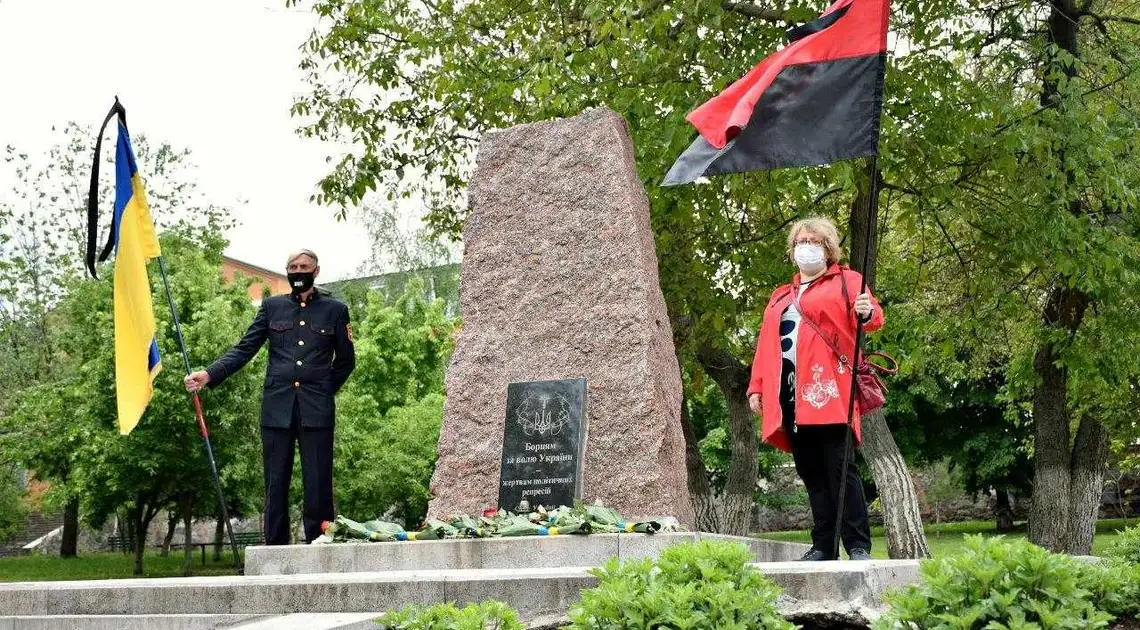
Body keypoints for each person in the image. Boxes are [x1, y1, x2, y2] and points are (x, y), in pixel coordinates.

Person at [184, 249, 356, 545]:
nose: (297, 271)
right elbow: (245, 348)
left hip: (316, 410)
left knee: (318, 482)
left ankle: (319, 544)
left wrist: (324, 390)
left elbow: (346, 361)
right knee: (275, 483)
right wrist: (211, 374)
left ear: (315, 272)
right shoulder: (272, 307)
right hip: (277, 409)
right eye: (292, 266)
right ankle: (275, 548)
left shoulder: (335, 311)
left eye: (304, 266)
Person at [747, 217, 883, 561]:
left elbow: (872, 317)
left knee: (840, 470)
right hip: (789, 398)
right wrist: (756, 387)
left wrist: (866, 312)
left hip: (829, 390)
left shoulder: (848, 281)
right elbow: (766, 346)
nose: (805, 246)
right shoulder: (780, 296)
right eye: (799, 241)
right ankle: (823, 544)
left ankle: (857, 544)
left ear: (828, 248)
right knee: (810, 471)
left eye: (814, 240)